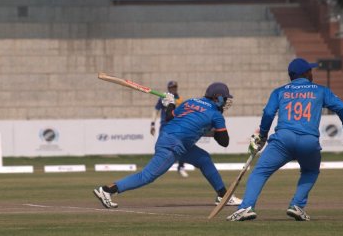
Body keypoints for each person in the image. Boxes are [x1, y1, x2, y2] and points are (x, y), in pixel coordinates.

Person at [227, 58, 343, 221]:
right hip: (309, 141)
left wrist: (262, 135)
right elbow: (341, 107)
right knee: (310, 171)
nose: (312, 73)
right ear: (305, 73)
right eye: (310, 70)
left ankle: (246, 207)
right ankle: (297, 205)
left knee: (260, 172)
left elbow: (269, 113)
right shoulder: (320, 90)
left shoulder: (280, 91)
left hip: (283, 140)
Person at [94, 82, 242, 208]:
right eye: (225, 98)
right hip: (173, 145)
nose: (226, 102)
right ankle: (107, 190)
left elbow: (171, 117)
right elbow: (224, 142)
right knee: (147, 176)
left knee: (203, 159)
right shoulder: (216, 115)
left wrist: (170, 104)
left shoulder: (190, 102)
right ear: (217, 97)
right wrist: (214, 131)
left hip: (173, 139)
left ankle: (223, 195)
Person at [150, 80, 189, 177]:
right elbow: (156, 110)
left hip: (176, 126)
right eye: (172, 87)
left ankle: (181, 167)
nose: (174, 89)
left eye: (175, 87)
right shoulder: (164, 98)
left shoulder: (180, 99)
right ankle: (155, 169)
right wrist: (152, 124)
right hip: (165, 126)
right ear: (168, 89)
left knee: (182, 146)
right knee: (160, 147)